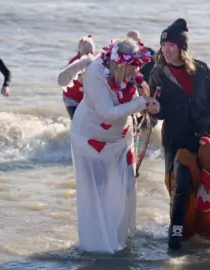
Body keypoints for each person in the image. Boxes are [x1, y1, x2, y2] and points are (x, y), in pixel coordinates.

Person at [69, 37, 155, 253]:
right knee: (98, 189)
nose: (134, 72)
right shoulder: (95, 73)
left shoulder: (130, 74)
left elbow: (132, 97)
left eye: (137, 67)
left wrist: (147, 99)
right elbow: (107, 114)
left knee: (126, 186)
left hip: (120, 139)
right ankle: (98, 243)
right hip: (90, 139)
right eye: (131, 67)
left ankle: (122, 236)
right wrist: (139, 103)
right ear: (118, 63)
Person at [148, 18, 210, 250]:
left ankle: (206, 229)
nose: (166, 49)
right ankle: (176, 234)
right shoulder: (158, 73)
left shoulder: (203, 70)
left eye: (171, 44)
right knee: (180, 184)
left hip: (203, 137)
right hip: (175, 138)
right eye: (163, 45)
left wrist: (206, 123)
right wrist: (155, 109)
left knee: (208, 186)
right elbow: (157, 107)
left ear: (182, 47)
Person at [58, 34, 95, 119]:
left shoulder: (92, 61)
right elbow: (79, 78)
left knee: (86, 119)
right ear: (80, 52)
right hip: (71, 98)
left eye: (90, 53)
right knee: (76, 119)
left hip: (83, 98)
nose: (88, 55)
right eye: (86, 53)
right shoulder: (75, 62)